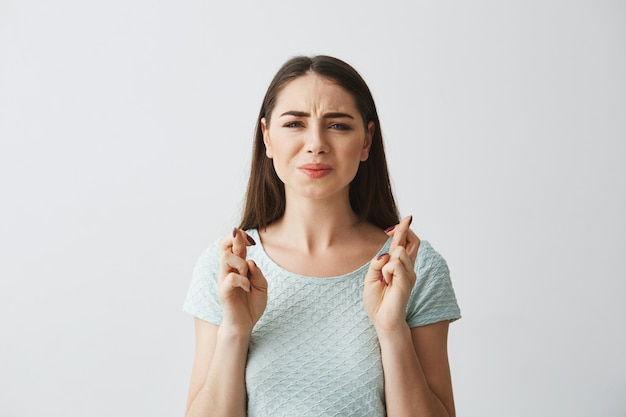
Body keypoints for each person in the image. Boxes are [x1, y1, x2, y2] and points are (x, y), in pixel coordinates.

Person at [183, 55, 461, 417]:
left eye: (339, 126)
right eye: (295, 123)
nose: (315, 143)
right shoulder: (229, 268)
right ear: (267, 137)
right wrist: (235, 331)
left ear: (367, 140)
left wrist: (392, 329)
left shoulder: (412, 267)